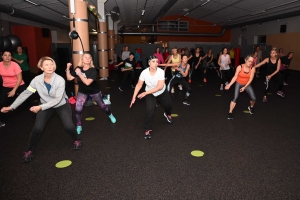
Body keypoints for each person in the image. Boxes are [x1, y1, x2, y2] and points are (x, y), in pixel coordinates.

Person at [1, 56, 82, 163]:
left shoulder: (59, 80)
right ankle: (29, 150)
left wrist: (40, 107)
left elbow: (57, 99)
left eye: (52, 64)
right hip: (44, 104)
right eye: (47, 65)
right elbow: (26, 93)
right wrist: (12, 107)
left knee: (69, 126)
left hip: (61, 105)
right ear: (41, 67)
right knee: (37, 128)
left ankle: (77, 139)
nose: (50, 66)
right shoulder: (36, 80)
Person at [66, 53, 116, 134]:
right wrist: (68, 68)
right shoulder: (78, 68)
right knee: (78, 109)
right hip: (82, 91)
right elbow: (69, 78)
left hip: (94, 91)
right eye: (86, 57)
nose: (88, 59)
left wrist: (79, 73)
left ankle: (110, 115)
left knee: (102, 106)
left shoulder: (93, 70)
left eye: (89, 57)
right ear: (82, 59)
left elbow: (87, 83)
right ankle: (79, 126)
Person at [130, 55, 173, 139]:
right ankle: (147, 129)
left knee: (168, 106)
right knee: (150, 111)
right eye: (153, 61)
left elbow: (159, 87)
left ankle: (168, 114)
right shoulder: (144, 73)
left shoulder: (161, 72)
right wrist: (134, 97)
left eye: (157, 61)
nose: (156, 63)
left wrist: (145, 93)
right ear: (149, 63)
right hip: (150, 93)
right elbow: (139, 85)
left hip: (161, 91)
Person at [0, 51, 27, 127]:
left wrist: (14, 90)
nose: (7, 57)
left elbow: (19, 78)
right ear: (2, 56)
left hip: (19, 84)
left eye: (9, 55)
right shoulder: (0, 65)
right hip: (6, 85)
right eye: (5, 55)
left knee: (29, 98)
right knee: (2, 102)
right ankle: (0, 120)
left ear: (11, 57)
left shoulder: (15, 65)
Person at [225, 55, 256, 120]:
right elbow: (235, 77)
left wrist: (244, 87)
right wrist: (229, 85)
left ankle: (251, 107)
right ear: (245, 60)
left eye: (252, 62)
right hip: (238, 83)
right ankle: (230, 113)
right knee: (235, 98)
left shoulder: (252, 68)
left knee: (253, 98)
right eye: (249, 61)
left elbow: (250, 79)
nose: (250, 63)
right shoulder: (240, 67)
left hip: (247, 84)